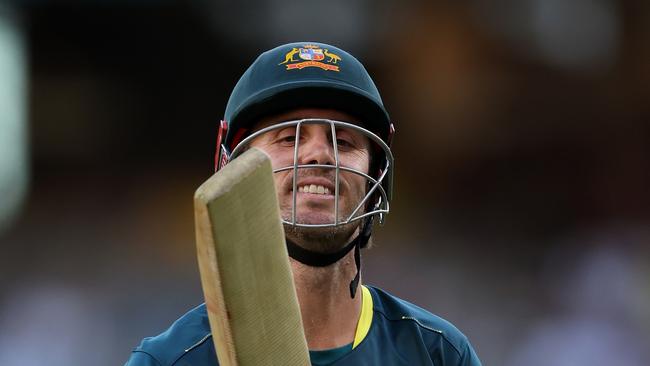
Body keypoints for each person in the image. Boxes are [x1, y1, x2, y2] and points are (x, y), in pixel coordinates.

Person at [125, 42, 482, 366]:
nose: (318, 155)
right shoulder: (170, 361)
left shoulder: (439, 354)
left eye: (343, 141)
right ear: (233, 172)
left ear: (376, 178)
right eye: (286, 137)